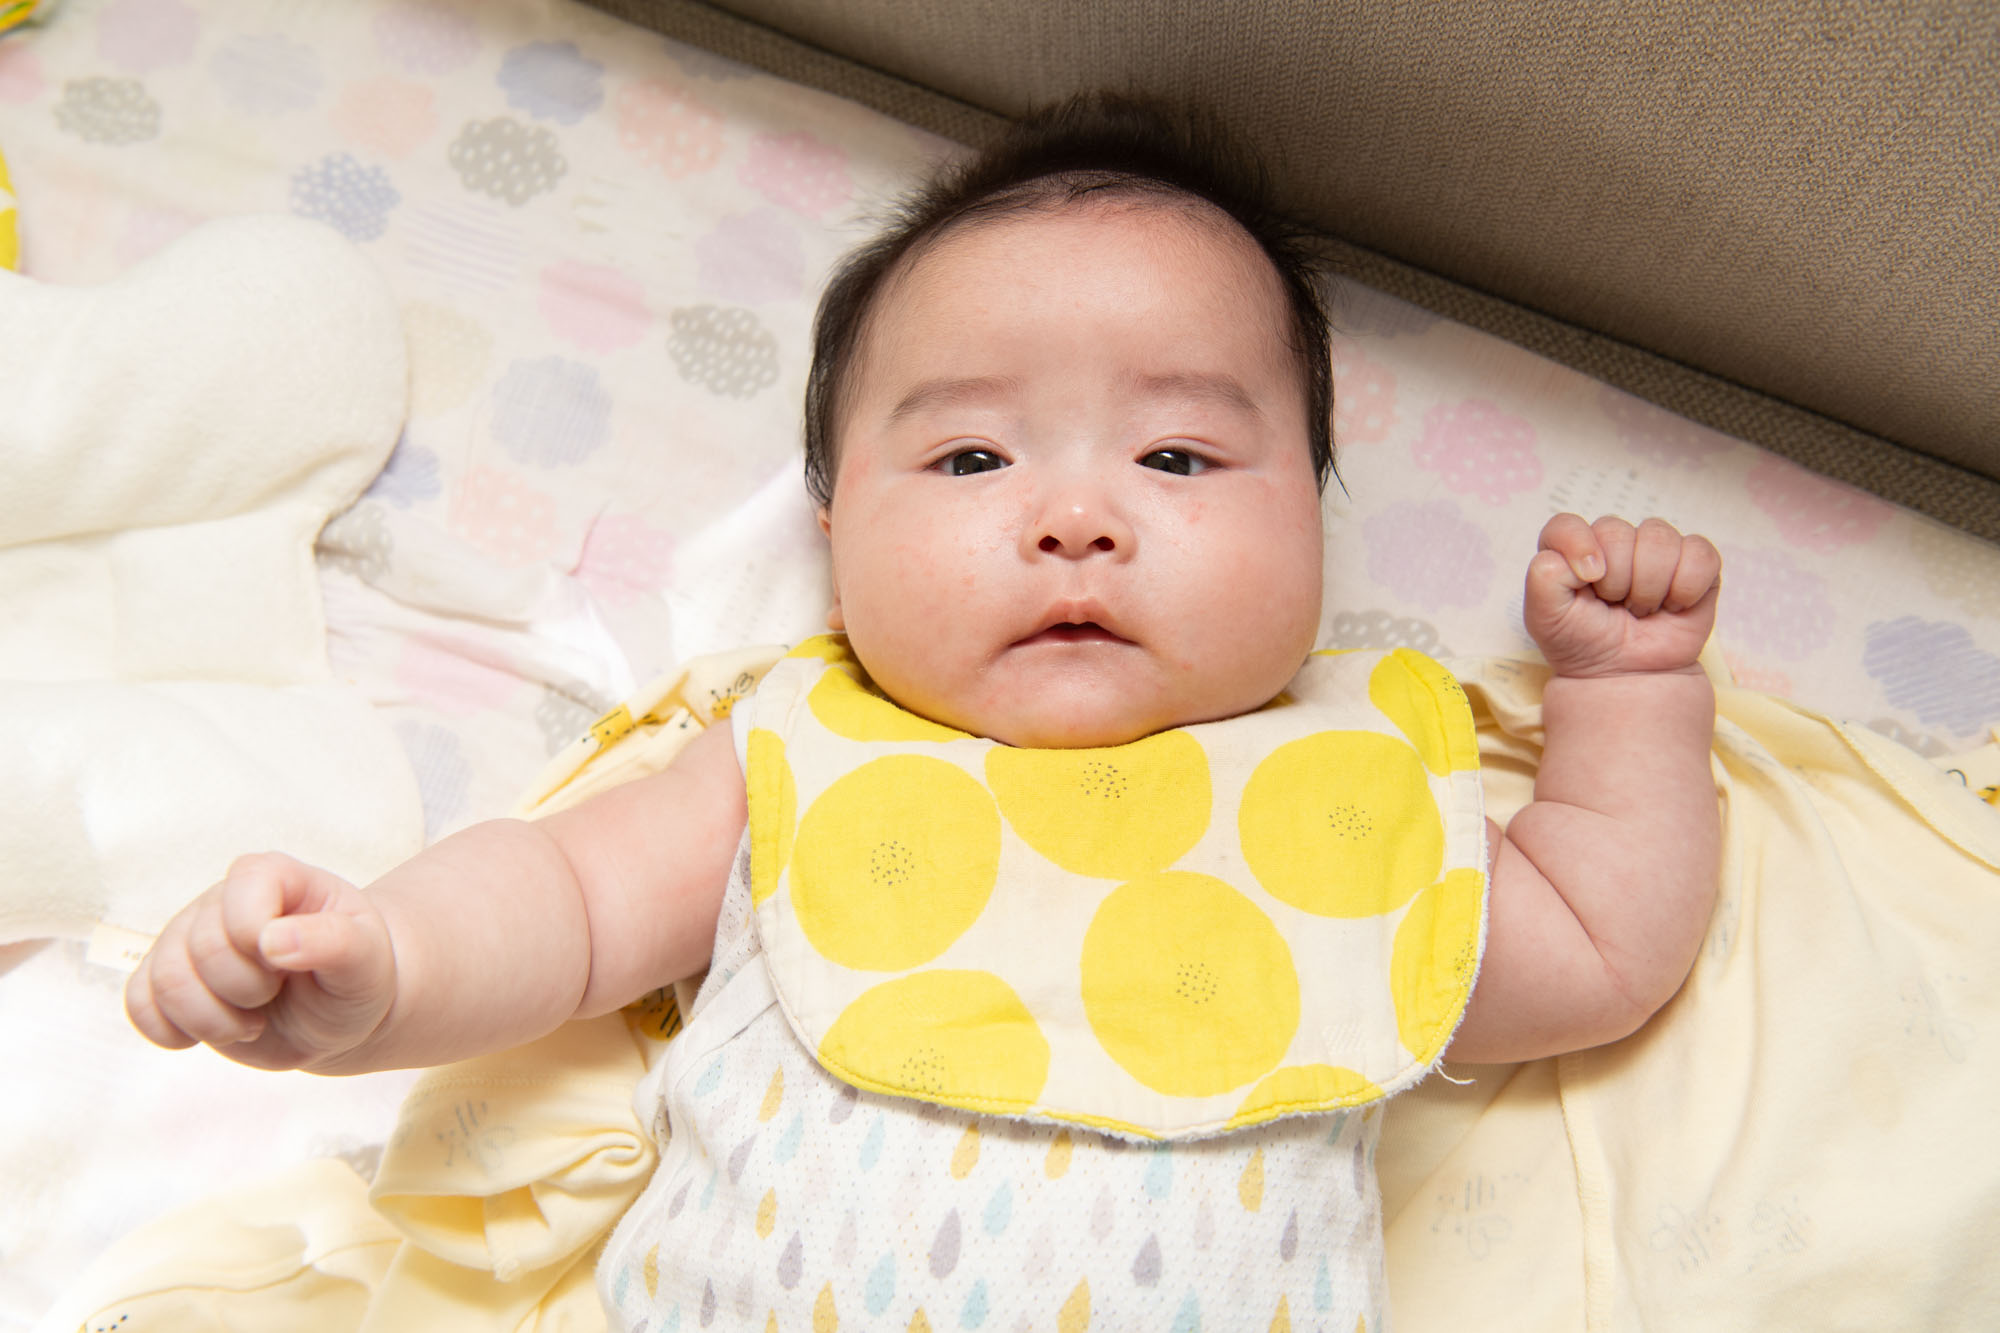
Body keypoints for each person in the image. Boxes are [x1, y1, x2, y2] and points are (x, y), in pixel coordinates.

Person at [125, 95, 1722, 1330]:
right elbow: (560, 898)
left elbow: (1596, 939)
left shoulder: (1343, 795)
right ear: (836, 535)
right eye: (971, 459)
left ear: (1314, 511)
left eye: (1177, 457)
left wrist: (1630, 691)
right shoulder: (803, 748)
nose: (1078, 516)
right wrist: (382, 965)